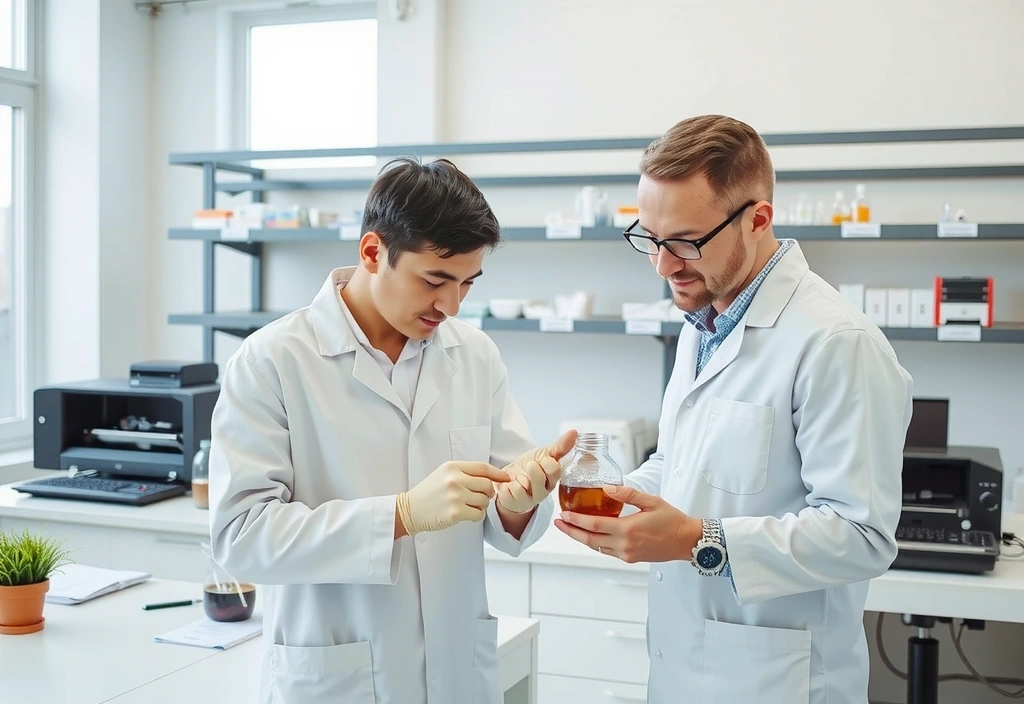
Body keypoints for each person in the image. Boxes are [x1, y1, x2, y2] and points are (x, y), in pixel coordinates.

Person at [556, 115, 913, 704]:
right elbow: (680, 464)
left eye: (687, 242)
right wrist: (596, 489)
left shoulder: (835, 343)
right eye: (650, 238)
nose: (664, 265)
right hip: (685, 669)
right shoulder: (705, 320)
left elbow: (862, 535)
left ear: (758, 220)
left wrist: (697, 539)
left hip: (777, 680)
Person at [208, 157, 575, 704]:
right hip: (338, 677)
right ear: (373, 252)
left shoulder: (474, 356)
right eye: (435, 280)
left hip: (457, 675)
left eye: (467, 284)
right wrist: (400, 516)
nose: (451, 305)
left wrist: (521, 499)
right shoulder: (274, 360)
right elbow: (240, 538)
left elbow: (506, 508)